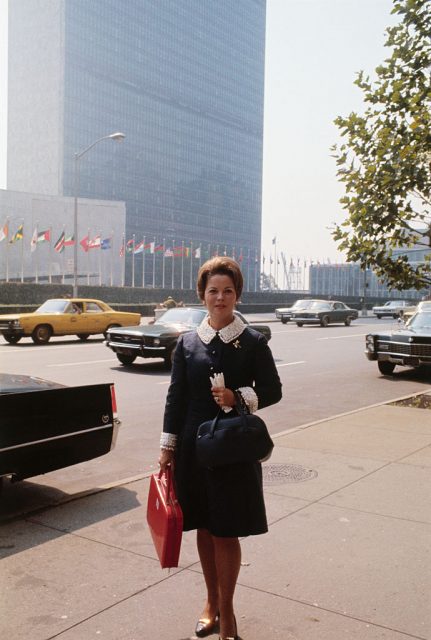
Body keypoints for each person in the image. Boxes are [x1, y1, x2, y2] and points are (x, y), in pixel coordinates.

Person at [159, 257, 282, 640]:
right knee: (203, 527)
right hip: (194, 451)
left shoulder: (253, 342)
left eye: (228, 290)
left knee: (226, 531)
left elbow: (273, 391)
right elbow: (176, 397)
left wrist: (237, 396)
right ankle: (209, 603)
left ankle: (227, 614)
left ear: (237, 294)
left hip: (232, 447)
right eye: (213, 290)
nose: (220, 297)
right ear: (202, 295)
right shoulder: (188, 343)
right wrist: (167, 449)